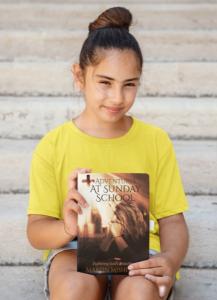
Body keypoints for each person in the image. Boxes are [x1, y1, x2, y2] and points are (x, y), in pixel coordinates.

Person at [26, 6, 189, 300]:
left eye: (129, 85)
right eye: (105, 83)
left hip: (141, 253)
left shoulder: (155, 141)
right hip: (73, 250)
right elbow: (36, 231)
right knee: (76, 288)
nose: (117, 98)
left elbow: (173, 220)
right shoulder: (52, 145)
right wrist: (68, 226)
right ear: (79, 75)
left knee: (139, 292)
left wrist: (170, 259)